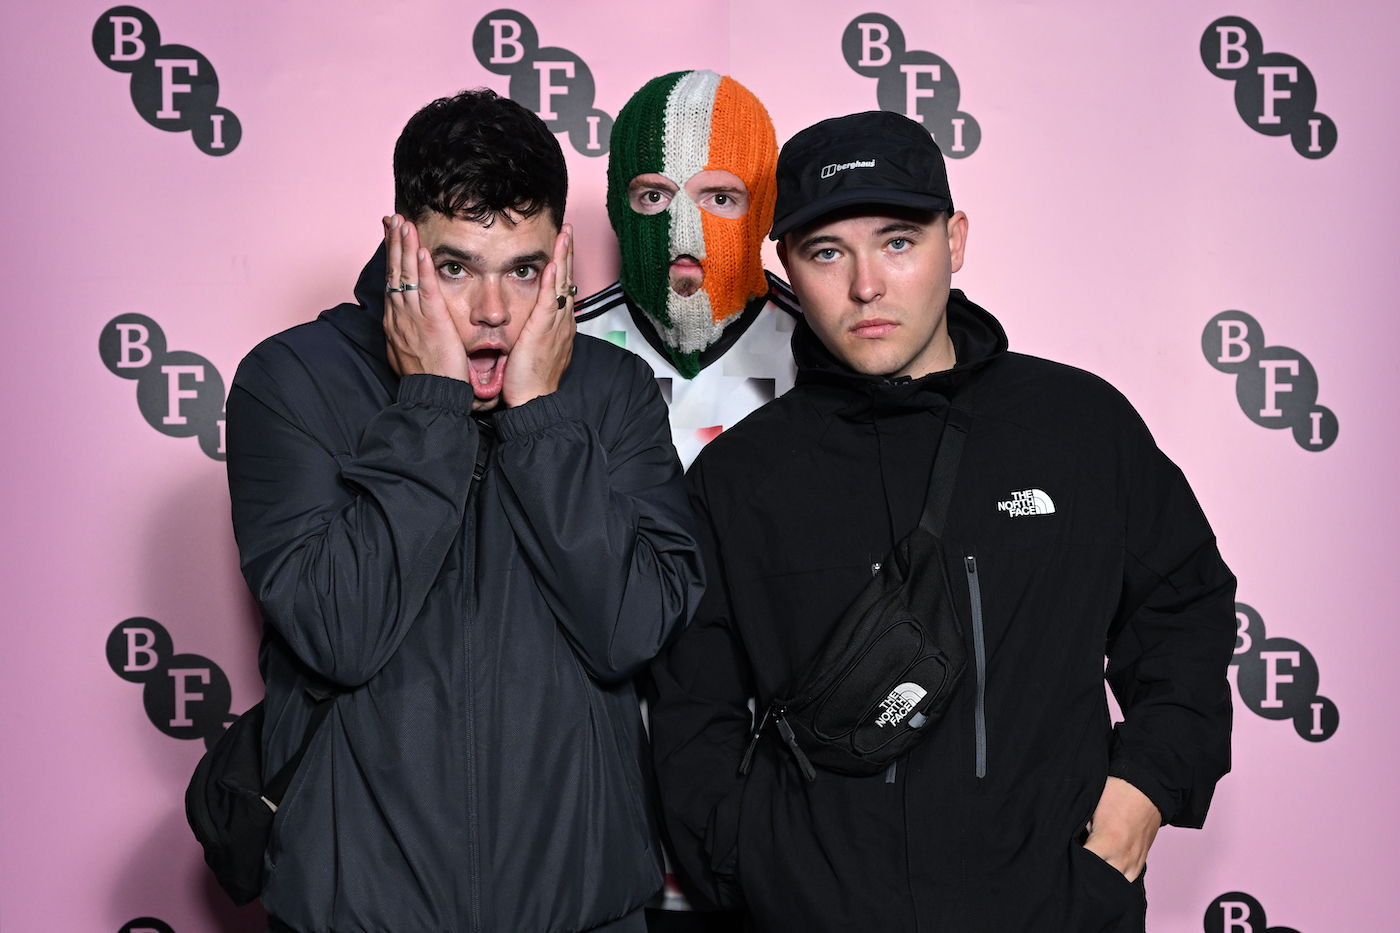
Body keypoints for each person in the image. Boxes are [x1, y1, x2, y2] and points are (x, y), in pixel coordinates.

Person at [647, 110, 1237, 933]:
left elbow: (1184, 608)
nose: (866, 286)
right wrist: (752, 862)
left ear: (954, 241)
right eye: (827, 252)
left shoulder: (1078, 427)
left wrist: (1140, 796)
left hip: (1060, 909)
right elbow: (691, 708)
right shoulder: (740, 478)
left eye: (897, 242)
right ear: (786, 265)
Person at [225, 89, 704, 933]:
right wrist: (431, 405)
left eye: (523, 270)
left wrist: (541, 418)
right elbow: (340, 630)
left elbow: (629, 631)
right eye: (455, 268)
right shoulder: (289, 380)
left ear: (561, 257)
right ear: (400, 245)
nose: (493, 312)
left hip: (582, 908)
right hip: (359, 914)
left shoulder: (612, 391)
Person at [576, 70, 800, 470]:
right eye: (654, 196)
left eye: (719, 198)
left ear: (763, 210)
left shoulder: (812, 344)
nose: (683, 238)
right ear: (618, 208)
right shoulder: (572, 342)